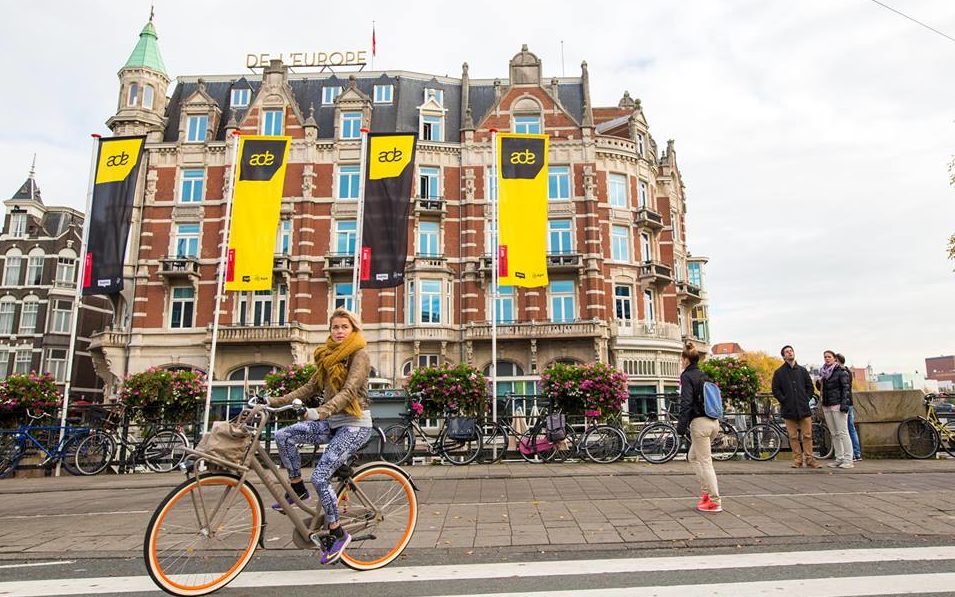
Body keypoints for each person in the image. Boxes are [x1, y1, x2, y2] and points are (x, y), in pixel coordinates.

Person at [268, 307, 372, 565]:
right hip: (332, 422)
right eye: (335, 327)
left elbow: (349, 391)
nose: (339, 331)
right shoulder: (328, 356)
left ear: (353, 329)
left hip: (355, 424)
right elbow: (310, 387)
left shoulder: (359, 354)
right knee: (284, 435)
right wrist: (272, 402)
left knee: (320, 476)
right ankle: (297, 489)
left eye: (344, 327)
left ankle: (337, 533)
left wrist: (320, 412)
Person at [676, 342, 722, 513]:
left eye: (682, 359)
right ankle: (706, 493)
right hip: (713, 422)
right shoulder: (704, 375)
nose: (681, 362)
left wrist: (681, 426)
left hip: (700, 424)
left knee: (705, 462)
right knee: (693, 456)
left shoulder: (687, 376)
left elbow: (686, 402)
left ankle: (715, 501)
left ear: (686, 360)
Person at [771, 345, 822, 469]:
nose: (790, 353)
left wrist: (806, 398)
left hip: (803, 408)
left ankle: (810, 459)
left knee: (807, 435)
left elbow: (810, 387)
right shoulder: (779, 372)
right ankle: (797, 460)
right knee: (793, 436)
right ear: (783, 356)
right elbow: (776, 390)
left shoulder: (802, 370)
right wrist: (784, 400)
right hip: (789, 409)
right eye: (787, 352)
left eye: (791, 351)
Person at [817, 350, 853, 469]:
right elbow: (821, 389)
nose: (827, 359)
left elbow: (846, 389)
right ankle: (839, 458)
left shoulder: (841, 372)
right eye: (825, 357)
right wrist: (819, 382)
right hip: (827, 404)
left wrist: (844, 404)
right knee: (834, 433)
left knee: (843, 432)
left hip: (837, 404)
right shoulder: (823, 373)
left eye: (829, 357)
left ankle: (848, 459)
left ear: (834, 359)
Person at [835, 353, 862, 461]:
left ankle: (851, 454)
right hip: (849, 402)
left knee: (845, 429)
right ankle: (856, 453)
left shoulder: (841, 372)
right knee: (851, 428)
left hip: (843, 403)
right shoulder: (848, 372)